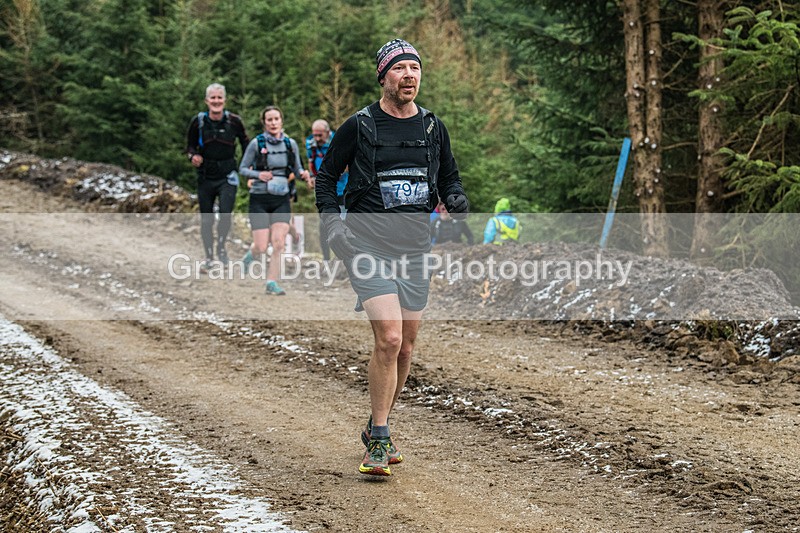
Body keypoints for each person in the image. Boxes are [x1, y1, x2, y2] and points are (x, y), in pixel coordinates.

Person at [315, 38, 469, 476]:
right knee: (390, 338)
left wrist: (456, 198)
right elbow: (326, 179)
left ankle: (375, 422)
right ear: (383, 77)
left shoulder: (432, 128)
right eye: (399, 68)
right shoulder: (360, 125)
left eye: (414, 68)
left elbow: (449, 177)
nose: (409, 75)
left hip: (415, 248)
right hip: (366, 245)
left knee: (407, 348)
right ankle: (379, 440)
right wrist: (334, 227)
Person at [239, 105, 312, 295]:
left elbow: (296, 169)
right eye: (269, 120)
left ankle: (271, 282)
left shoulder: (290, 144)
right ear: (264, 123)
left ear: (281, 121)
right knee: (262, 246)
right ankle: (250, 255)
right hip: (260, 198)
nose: (273, 123)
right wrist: (258, 174)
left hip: (281, 198)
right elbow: (243, 168)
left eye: (276, 119)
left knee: (278, 243)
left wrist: (303, 174)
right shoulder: (256, 144)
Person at [185, 83, 249, 272]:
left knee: (225, 214)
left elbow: (246, 142)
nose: (216, 101)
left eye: (219, 98)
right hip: (205, 176)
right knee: (206, 220)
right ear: (207, 101)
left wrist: (248, 164)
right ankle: (209, 257)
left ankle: (221, 247)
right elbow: (189, 146)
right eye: (212, 98)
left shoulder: (234, 122)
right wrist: (192, 156)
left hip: (228, 175)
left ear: (225, 100)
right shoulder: (198, 122)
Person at [306, 119, 348, 260]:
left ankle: (346, 259)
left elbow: (348, 163)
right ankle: (326, 260)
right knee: (324, 226)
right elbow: (311, 162)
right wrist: (312, 177)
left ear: (327, 132)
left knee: (343, 226)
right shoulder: (310, 144)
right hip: (323, 191)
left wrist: (331, 174)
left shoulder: (338, 141)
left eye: (320, 135)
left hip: (342, 190)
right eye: (315, 135)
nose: (317, 139)